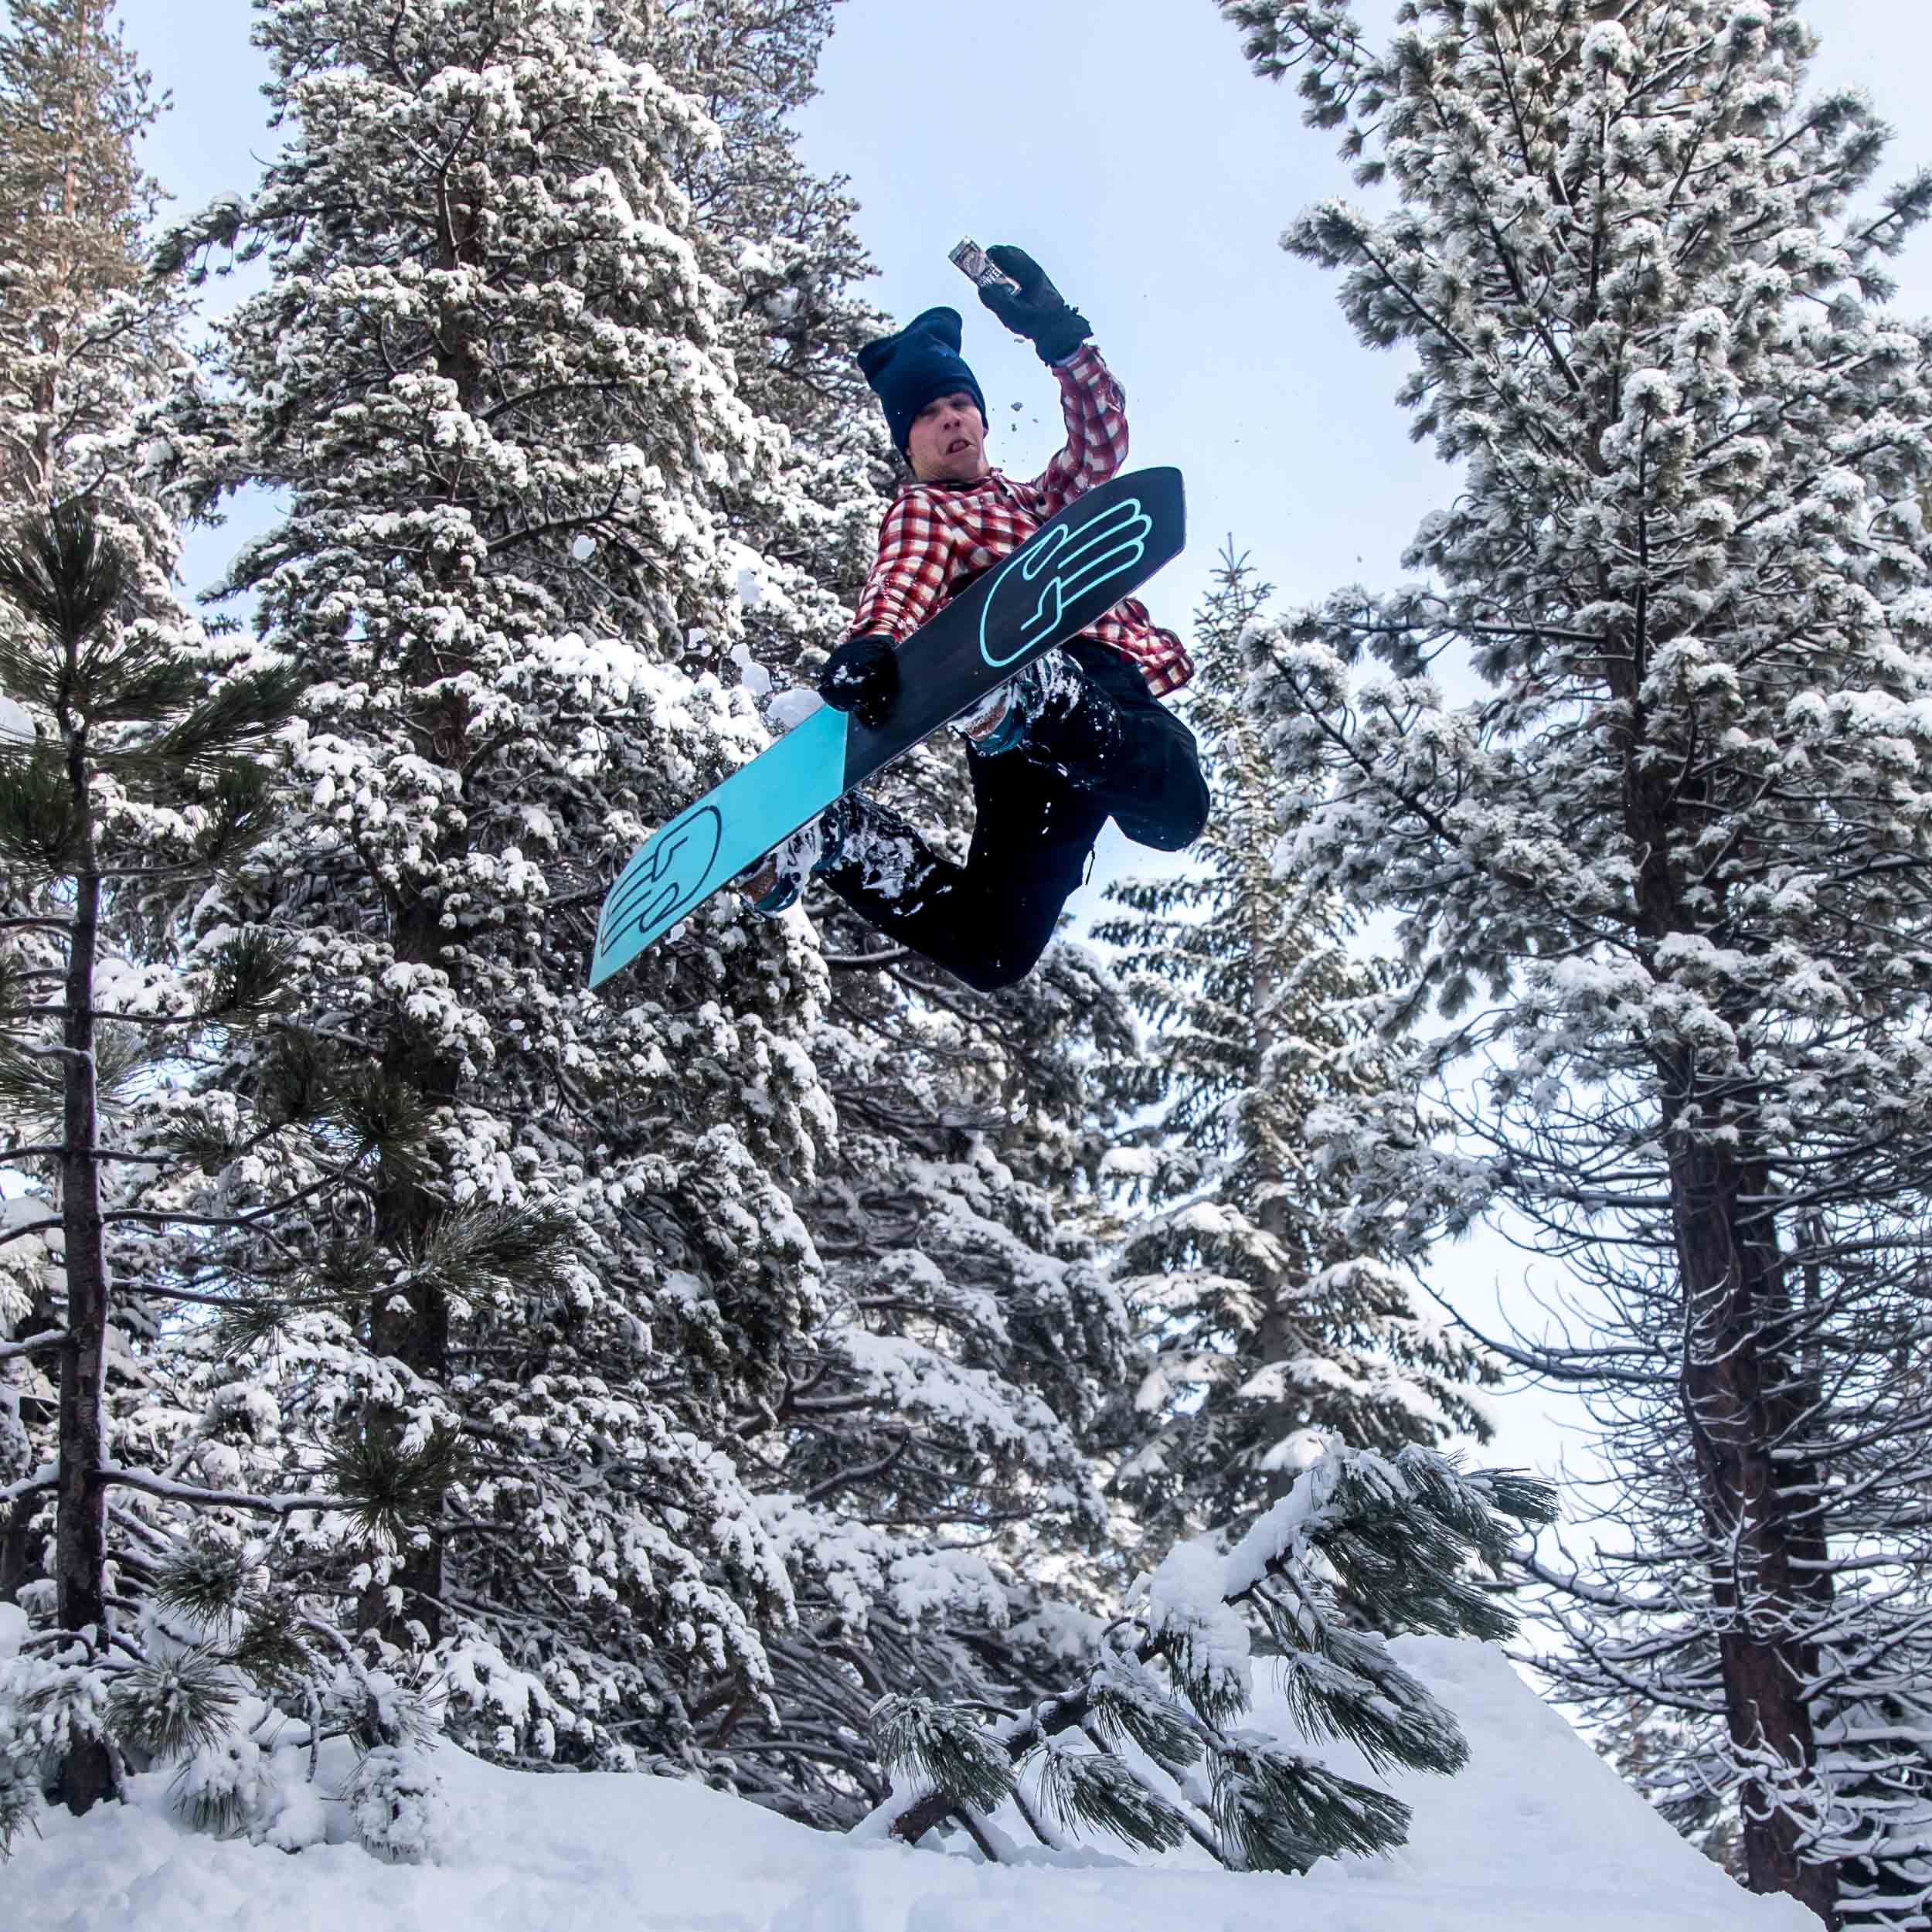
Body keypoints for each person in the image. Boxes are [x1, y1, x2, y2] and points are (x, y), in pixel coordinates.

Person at [743, 245, 1209, 992]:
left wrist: (1061, 339)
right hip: (1054, 693)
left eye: (960, 405)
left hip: (1066, 738)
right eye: (929, 415)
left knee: (1001, 942)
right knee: (1176, 803)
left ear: (982, 416)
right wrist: (871, 643)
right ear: (908, 441)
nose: (951, 421)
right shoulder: (927, 509)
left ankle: (843, 839)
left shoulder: (1039, 502)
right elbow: (902, 579)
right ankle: (1032, 692)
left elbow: (1101, 444)